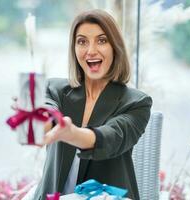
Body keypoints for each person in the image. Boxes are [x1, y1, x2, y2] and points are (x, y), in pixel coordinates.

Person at [33, 9, 152, 200]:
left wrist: (71, 133)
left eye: (102, 40)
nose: (91, 50)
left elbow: (112, 137)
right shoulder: (55, 88)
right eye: (82, 41)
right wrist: (39, 119)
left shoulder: (137, 102)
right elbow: (47, 113)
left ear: (115, 47)